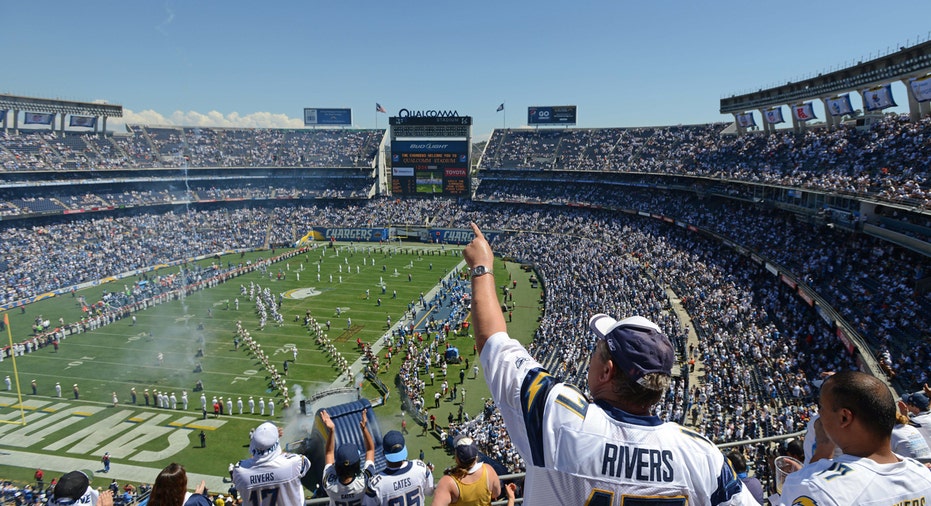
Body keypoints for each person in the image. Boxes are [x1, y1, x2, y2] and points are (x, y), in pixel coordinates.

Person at [462, 222, 757, 505]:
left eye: (598, 349)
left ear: (607, 371)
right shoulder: (701, 456)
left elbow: (493, 341)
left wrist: (481, 267)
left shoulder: (558, 418)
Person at [779, 371, 931, 505]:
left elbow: (823, 490)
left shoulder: (813, 487)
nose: (820, 415)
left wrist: (816, 461)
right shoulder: (924, 475)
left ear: (844, 417)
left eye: (822, 407)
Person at [232, 422, 311, 505]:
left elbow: (255, 460)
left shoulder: (239, 471)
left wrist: (263, 443)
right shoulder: (293, 463)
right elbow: (304, 463)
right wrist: (271, 439)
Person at [321, 409, 375, 506]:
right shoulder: (364, 482)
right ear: (357, 465)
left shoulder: (329, 485)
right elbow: (370, 450)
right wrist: (364, 428)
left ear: (337, 465)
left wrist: (331, 430)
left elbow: (329, 453)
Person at [365, 430, 434, 505]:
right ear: (404, 449)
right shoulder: (421, 467)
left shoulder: (376, 484)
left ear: (383, 453)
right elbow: (430, 492)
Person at [432, 435, 501, 506]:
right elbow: (496, 493)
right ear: (476, 455)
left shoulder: (448, 482)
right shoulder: (488, 470)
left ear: (456, 457)